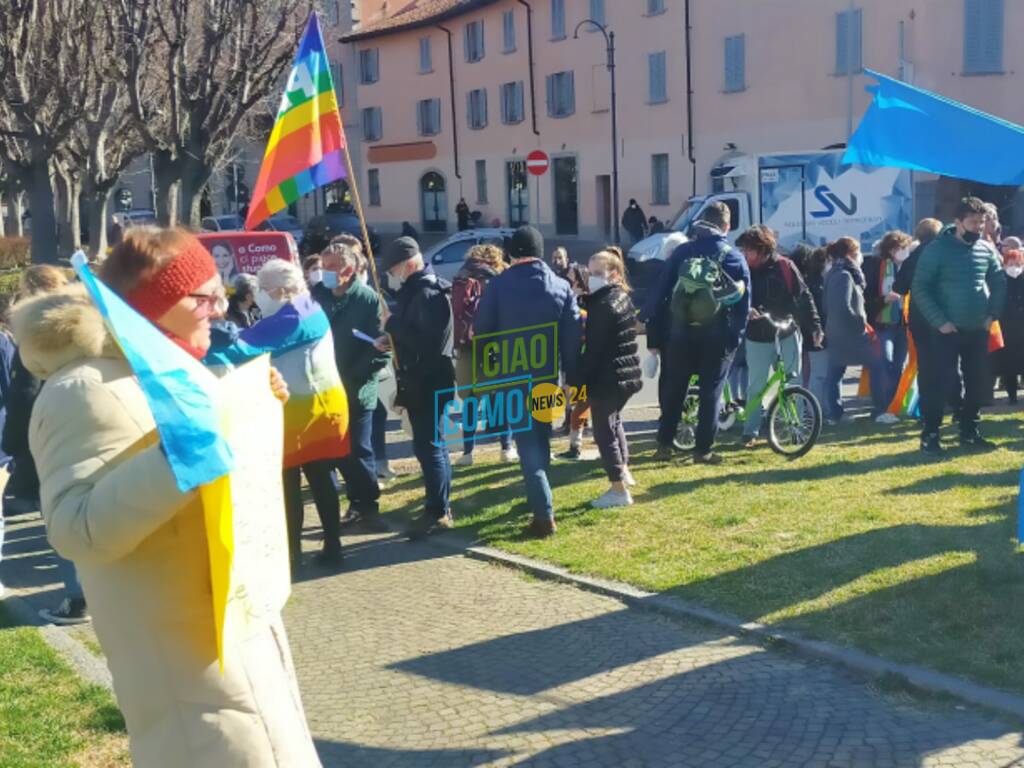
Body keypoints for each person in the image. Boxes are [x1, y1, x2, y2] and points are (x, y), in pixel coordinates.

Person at [14, 227, 320, 766]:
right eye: (202, 297)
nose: (219, 310)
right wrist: (179, 461)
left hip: (236, 650)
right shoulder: (83, 389)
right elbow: (73, 527)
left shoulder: (175, 369)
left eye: (219, 294)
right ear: (155, 304)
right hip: (189, 689)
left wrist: (251, 407)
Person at [209, 258, 352, 569]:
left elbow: (244, 347)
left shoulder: (294, 316)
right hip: (318, 405)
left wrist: (208, 336)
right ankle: (329, 545)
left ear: (282, 290)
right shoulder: (306, 307)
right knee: (319, 478)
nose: (260, 295)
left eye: (265, 289)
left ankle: (294, 552)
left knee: (291, 481)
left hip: (306, 410)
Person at [474, 226, 582, 537]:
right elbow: (572, 338)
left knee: (527, 445)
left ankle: (543, 514)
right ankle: (539, 498)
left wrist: (490, 370)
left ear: (513, 253)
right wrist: (571, 377)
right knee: (542, 438)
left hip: (513, 377)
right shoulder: (561, 286)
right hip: (547, 376)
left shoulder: (498, 285)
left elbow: (484, 332)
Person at [3, 266, 91, 625]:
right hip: (91, 426)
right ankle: (101, 594)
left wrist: (12, 442)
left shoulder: (39, 328)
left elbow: (25, 393)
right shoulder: (91, 317)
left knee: (59, 520)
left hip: (52, 435)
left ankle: (77, 599)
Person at [642, 202, 751, 465]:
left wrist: (648, 317)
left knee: (674, 389)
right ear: (726, 226)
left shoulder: (683, 251)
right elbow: (743, 303)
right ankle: (703, 451)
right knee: (710, 392)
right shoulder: (734, 257)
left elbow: (662, 289)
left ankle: (665, 444)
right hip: (716, 335)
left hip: (680, 332)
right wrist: (735, 338)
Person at [374, 237, 456, 539]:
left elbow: (427, 342)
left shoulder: (427, 292)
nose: (392, 277)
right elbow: (415, 335)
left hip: (430, 378)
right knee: (432, 445)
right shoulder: (417, 291)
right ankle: (440, 505)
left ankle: (437, 511)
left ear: (409, 265)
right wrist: (390, 339)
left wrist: (393, 326)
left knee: (429, 446)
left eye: (394, 270)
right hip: (424, 377)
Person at [913, 197, 1007, 453]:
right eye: (973, 222)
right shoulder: (936, 250)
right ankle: (930, 433)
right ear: (958, 222)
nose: (979, 227)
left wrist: (992, 314)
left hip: (977, 328)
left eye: (982, 222)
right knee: (939, 382)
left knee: (978, 381)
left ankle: (969, 430)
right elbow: (920, 288)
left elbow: (999, 282)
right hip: (945, 330)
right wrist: (939, 321)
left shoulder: (986, 249)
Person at [315, 242, 392, 531]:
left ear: (348, 270)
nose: (326, 272)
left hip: (357, 388)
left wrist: (354, 375)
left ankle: (369, 506)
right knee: (335, 451)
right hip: (324, 388)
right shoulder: (317, 296)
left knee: (359, 450)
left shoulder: (368, 299)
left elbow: (383, 347)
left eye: (332, 267)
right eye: (324, 266)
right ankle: (354, 503)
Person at [735, 226, 822, 447]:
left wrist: (815, 326)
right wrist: (745, 310)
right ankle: (750, 431)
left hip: (786, 332)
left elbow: (804, 298)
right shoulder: (741, 269)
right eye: (743, 250)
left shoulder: (785, 266)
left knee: (793, 381)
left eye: (749, 251)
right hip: (757, 336)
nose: (745, 255)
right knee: (756, 385)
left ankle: (795, 427)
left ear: (762, 249)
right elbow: (734, 297)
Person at [578, 249, 642, 508]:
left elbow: (594, 350)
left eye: (596, 274)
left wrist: (579, 376)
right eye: (589, 273)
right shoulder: (620, 297)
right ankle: (623, 471)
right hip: (624, 374)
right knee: (615, 424)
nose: (591, 278)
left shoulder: (604, 305)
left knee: (604, 432)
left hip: (608, 377)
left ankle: (618, 489)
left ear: (613, 274)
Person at [451, 243, 517, 466]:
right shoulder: (501, 277)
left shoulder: (461, 276)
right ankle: (506, 447)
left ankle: (468, 452)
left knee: (469, 399)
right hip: (494, 343)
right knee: (500, 395)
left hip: (466, 345)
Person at [822, 237, 893, 424]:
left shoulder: (833, 273)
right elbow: (843, 307)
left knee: (835, 373)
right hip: (851, 334)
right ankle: (879, 411)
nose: (860, 256)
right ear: (850, 254)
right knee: (877, 366)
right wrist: (860, 323)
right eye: (857, 251)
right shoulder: (844, 275)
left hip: (838, 333)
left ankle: (835, 413)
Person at [864, 230, 914, 405]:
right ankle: (880, 404)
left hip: (903, 323)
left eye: (906, 247)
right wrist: (884, 300)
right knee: (884, 362)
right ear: (891, 250)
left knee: (898, 365)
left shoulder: (907, 268)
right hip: (882, 324)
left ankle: (893, 402)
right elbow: (866, 300)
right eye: (901, 248)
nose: (904, 251)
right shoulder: (876, 268)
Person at [996, 248, 1024, 403]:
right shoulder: (1000, 280)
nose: (1015, 267)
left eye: (1018, 263)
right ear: (1005, 264)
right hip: (1006, 328)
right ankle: (1011, 395)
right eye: (1011, 263)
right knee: (1009, 364)